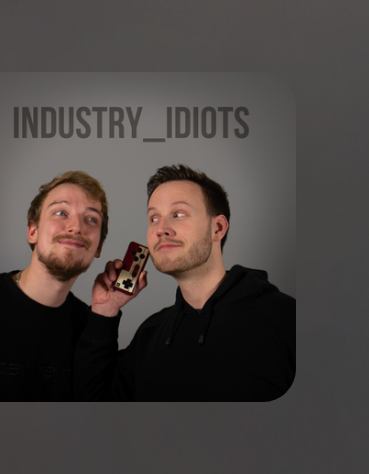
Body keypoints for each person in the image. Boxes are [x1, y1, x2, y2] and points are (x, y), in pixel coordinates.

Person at [75, 164, 295, 400]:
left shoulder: (287, 319)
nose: (161, 229)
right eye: (153, 218)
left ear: (217, 228)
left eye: (178, 214)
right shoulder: (150, 334)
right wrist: (104, 313)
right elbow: (95, 406)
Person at [0, 170, 109, 400]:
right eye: (61, 213)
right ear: (33, 231)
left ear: (98, 246)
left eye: (91, 219)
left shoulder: (92, 329)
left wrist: (107, 311)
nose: (76, 227)